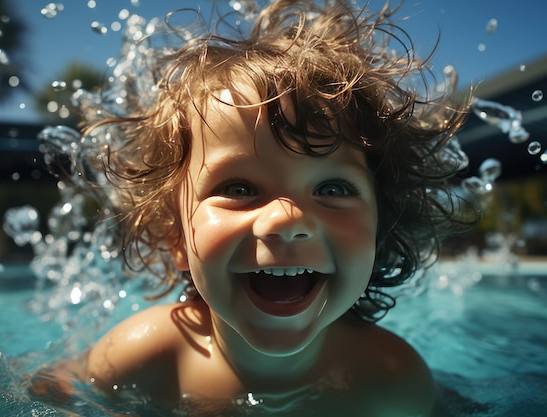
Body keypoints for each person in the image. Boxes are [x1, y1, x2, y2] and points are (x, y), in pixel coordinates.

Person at [32, 0, 477, 415]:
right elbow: (50, 391)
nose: (286, 219)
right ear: (177, 238)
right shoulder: (143, 356)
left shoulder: (393, 380)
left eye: (334, 188)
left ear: (380, 233)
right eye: (239, 187)